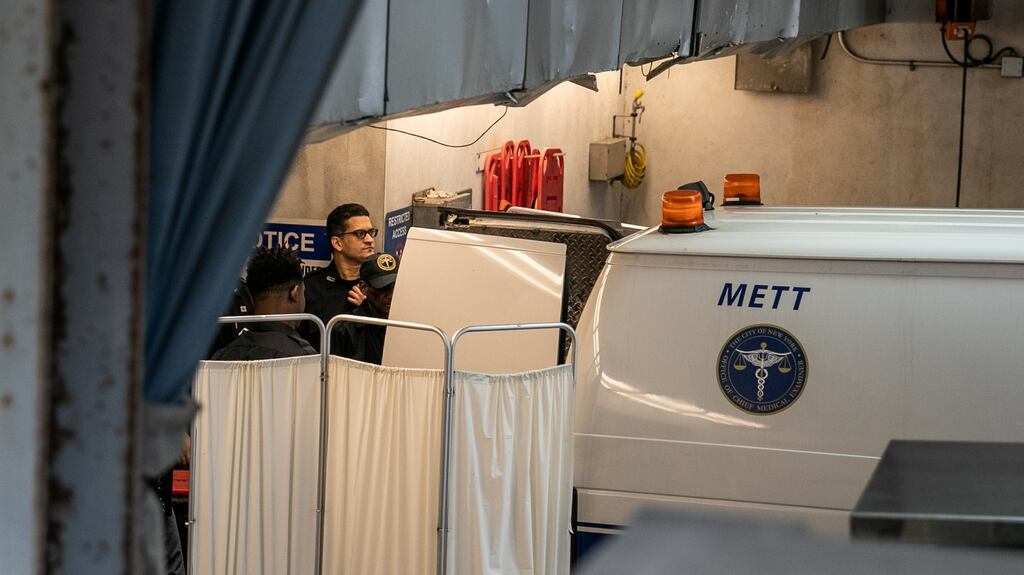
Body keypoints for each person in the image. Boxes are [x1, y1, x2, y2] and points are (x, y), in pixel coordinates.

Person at [212, 246, 317, 360]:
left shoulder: (221, 356)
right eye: (303, 292)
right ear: (294, 293)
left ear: (251, 300)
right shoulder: (306, 359)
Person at [302, 203, 377, 350]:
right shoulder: (312, 287)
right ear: (337, 243)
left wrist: (371, 308)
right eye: (360, 234)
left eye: (371, 232)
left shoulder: (380, 286)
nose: (369, 239)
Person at [336, 252, 399, 365]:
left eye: (396, 286)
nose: (391, 294)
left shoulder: (411, 324)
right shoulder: (346, 330)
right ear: (364, 288)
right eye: (383, 288)